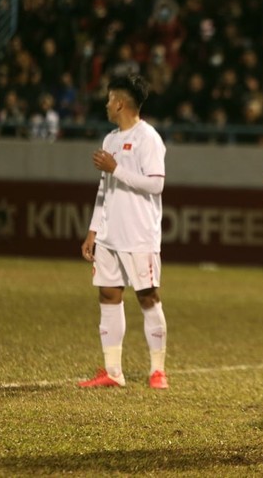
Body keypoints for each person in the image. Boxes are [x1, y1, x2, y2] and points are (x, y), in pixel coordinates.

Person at [79, 74, 168, 390]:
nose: (106, 104)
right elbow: (104, 188)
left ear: (119, 103)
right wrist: (93, 230)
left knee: (147, 296)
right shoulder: (110, 140)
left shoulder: (149, 139)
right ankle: (113, 371)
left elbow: (156, 183)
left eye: (108, 99)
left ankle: (158, 370)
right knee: (108, 294)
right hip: (110, 235)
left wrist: (117, 169)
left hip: (139, 234)